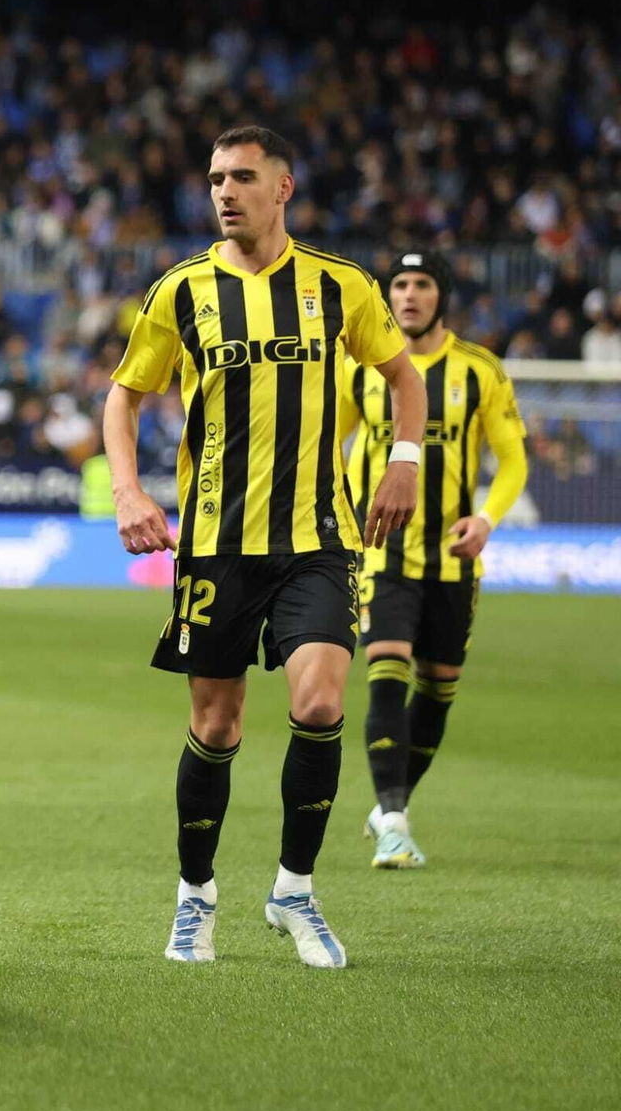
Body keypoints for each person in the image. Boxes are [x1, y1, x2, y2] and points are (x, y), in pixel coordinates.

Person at [103, 126, 426, 969]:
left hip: (320, 539)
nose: (224, 191)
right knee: (216, 723)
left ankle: (294, 891)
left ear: (284, 187)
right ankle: (195, 896)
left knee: (319, 704)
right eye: (215, 178)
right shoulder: (181, 291)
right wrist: (128, 490)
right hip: (214, 546)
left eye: (243, 176)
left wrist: (404, 462)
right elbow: (123, 398)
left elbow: (404, 376)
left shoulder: (339, 285)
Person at [340, 250, 527, 868]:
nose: (410, 295)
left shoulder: (480, 371)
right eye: (400, 284)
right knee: (385, 673)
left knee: (438, 689)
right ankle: (394, 821)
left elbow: (512, 459)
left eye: (422, 284)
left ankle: (389, 806)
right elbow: (328, 439)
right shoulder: (362, 367)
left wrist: (487, 519)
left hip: (453, 559)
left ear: (440, 296)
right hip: (382, 554)